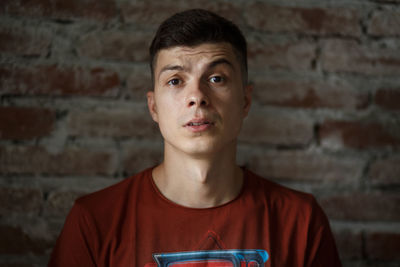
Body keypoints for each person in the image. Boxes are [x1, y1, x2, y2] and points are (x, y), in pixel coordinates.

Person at [48, 9, 342, 267]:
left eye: (217, 78)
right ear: (153, 107)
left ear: (245, 101)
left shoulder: (301, 223)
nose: (197, 97)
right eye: (175, 81)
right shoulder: (95, 222)